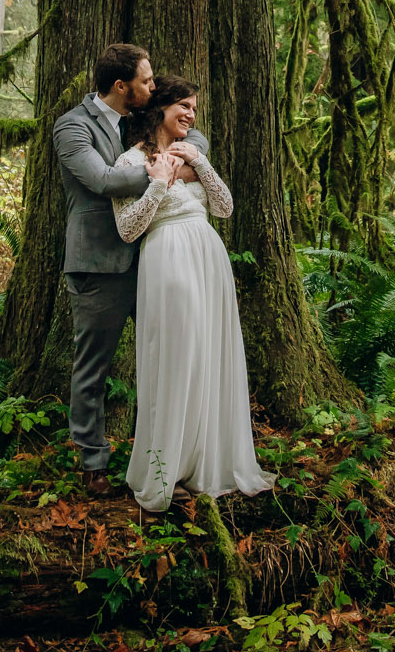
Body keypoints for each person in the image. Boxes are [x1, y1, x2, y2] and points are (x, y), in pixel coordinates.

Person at [52, 43, 210, 497]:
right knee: (93, 366)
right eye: (145, 80)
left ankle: (162, 457)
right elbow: (101, 180)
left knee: (165, 359)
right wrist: (160, 171)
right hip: (99, 266)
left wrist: (182, 157)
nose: (153, 86)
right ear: (122, 86)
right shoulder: (73, 127)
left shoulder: (140, 118)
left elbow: (192, 135)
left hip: (154, 260)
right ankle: (93, 462)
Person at [110, 75, 272, 515]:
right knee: (175, 360)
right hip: (168, 261)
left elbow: (223, 207)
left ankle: (206, 461)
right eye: (184, 105)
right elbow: (127, 230)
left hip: (208, 260)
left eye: (194, 108)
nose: (191, 114)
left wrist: (201, 163)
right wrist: (159, 183)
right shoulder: (130, 161)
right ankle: (166, 469)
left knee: (207, 358)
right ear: (158, 109)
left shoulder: (191, 155)